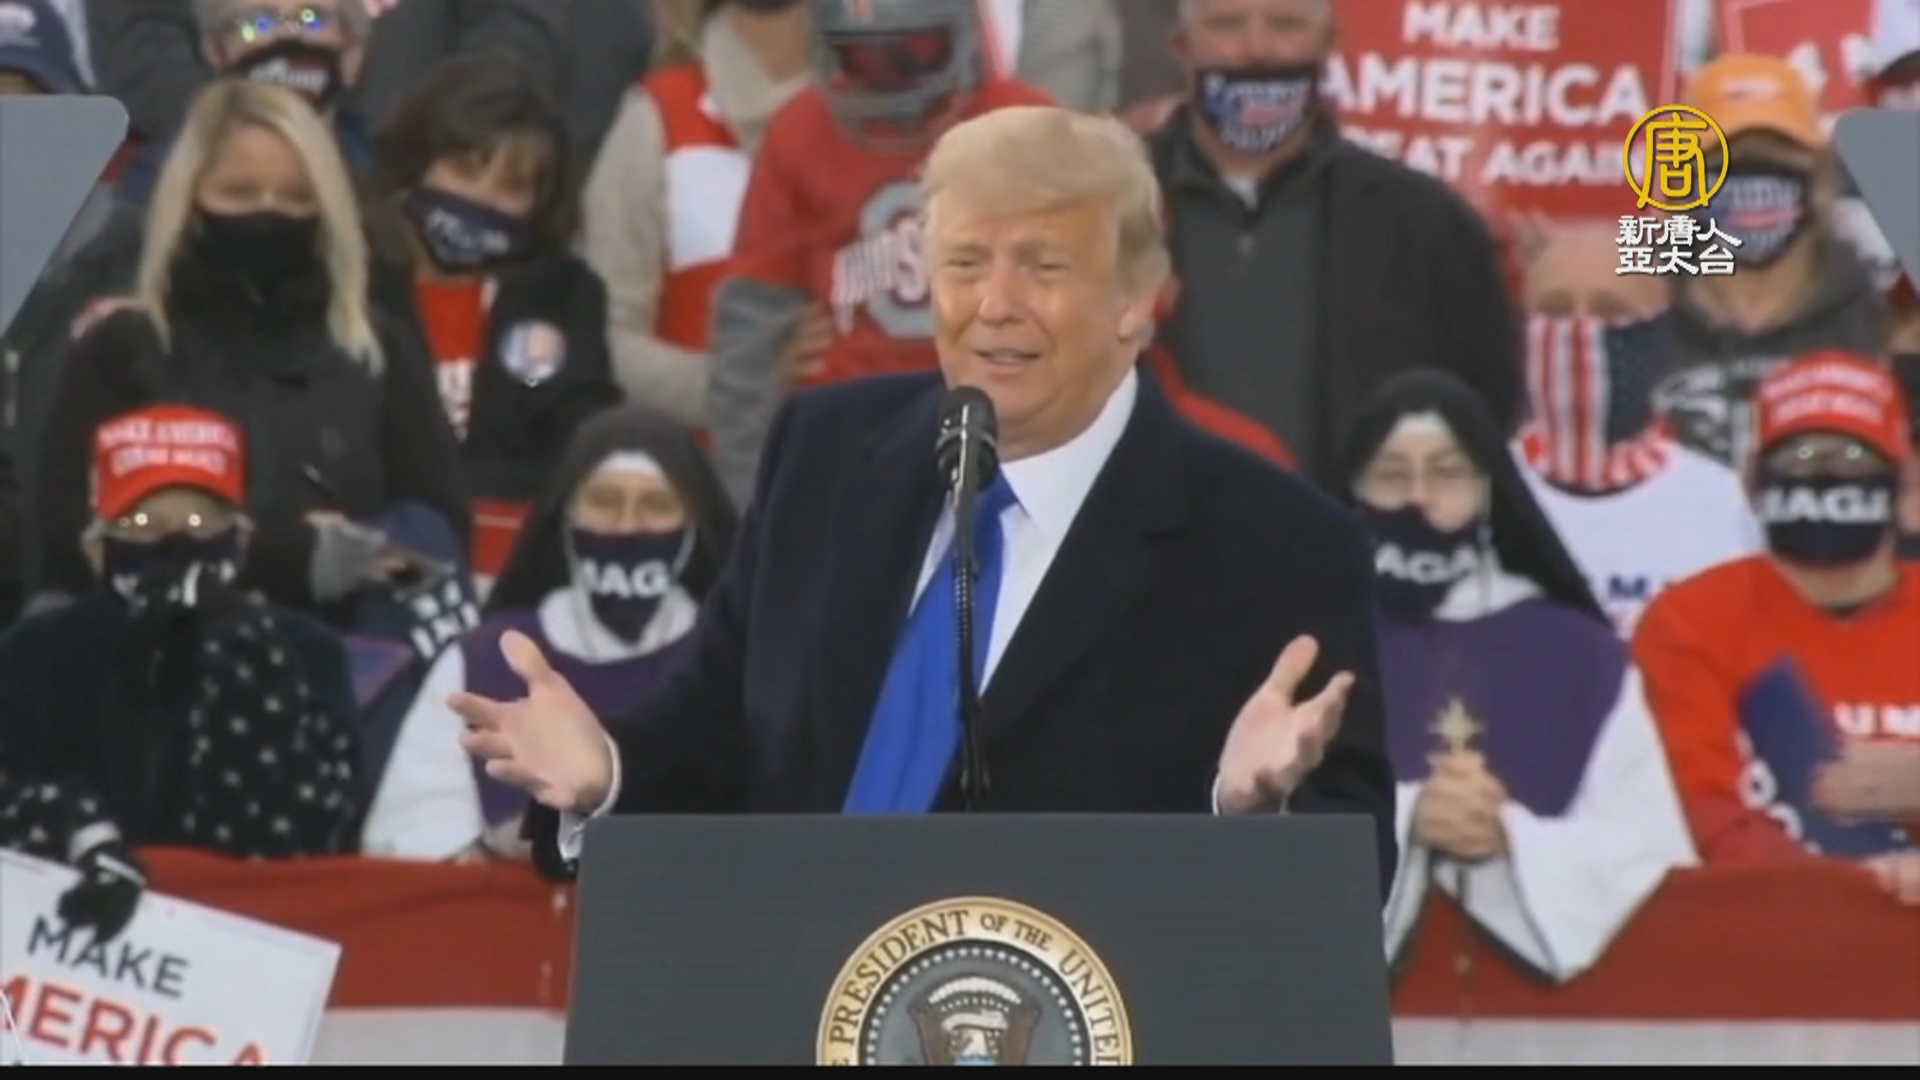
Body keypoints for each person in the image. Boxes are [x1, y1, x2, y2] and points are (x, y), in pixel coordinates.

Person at [453, 105, 1396, 894]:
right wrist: (609, 775)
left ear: (1137, 300)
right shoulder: (824, 455)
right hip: (800, 1002)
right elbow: (712, 734)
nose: (995, 304)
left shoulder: (1276, 547)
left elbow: (1351, 877)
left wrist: (1250, 815)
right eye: (964, 263)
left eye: (1044, 266)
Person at [29, 80, 467, 626]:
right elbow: (72, 540)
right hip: (155, 653)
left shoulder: (380, 351)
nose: (268, 212)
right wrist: (290, 556)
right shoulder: (120, 351)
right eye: (239, 193)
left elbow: (440, 538)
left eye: (296, 197)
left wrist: (350, 557)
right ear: (189, 203)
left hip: (353, 658)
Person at [1345, 371, 1695, 983]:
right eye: (1392, 475)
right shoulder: (1309, 642)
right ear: (1353, 492)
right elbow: (1255, 827)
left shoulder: (1582, 656)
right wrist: (1408, 817)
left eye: (1448, 473)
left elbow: (1651, 845)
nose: (1418, 497)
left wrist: (1511, 836)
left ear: (1490, 490)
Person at [0, 404, 362, 944]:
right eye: (144, 526)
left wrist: (242, 648)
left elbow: (320, 832)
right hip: (65, 939)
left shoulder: (305, 652)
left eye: (199, 524)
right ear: (97, 548)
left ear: (240, 539)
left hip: (241, 945)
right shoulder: (35, 651)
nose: (176, 544)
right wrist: (77, 830)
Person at [1142, 0, 1523, 485]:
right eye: (1227, 24)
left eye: (1286, 25)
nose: (1257, 48)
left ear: (1330, 43)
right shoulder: (1103, 207)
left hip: (1349, 529)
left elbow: (1485, 414)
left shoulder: (1427, 224)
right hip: (1150, 525)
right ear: (1182, 45)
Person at [705, 0, 1052, 506]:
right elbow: (748, 337)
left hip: (1006, 441)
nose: (889, 76)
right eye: (862, 58)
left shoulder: (1031, 131)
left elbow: (1106, 307)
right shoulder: (799, 131)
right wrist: (754, 503)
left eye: (912, 51)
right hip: (849, 448)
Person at [363, 404, 735, 864]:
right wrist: (495, 848)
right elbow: (401, 850)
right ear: (566, 516)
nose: (627, 526)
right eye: (605, 501)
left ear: (693, 524)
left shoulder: (732, 661)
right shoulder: (483, 660)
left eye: (656, 505)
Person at [1632, 351, 1919, 906]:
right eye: (1800, 457)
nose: (1826, 479)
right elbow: (1701, 812)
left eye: (1854, 458)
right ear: (1750, 483)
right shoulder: (1691, 620)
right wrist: (1852, 892)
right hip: (1760, 926)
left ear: (1905, 486)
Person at [365, 52, 622, 582]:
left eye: (513, 186)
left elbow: (573, 442)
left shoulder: (565, 295)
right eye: (466, 170)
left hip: (521, 573)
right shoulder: (354, 285)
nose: (483, 198)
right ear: (415, 165)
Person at [1510, 216, 1762, 635]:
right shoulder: (1480, 497)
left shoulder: (1724, 508)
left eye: (1610, 311)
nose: (1580, 331)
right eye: (1555, 309)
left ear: (1656, 334)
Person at [580, 0, 815, 427]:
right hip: (701, 459)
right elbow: (603, 335)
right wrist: (746, 384)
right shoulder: (657, 119)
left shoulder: (887, 120)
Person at [1659, 54, 1888, 473]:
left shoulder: (1877, 320)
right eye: (1726, 162)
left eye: (1777, 158)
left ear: (1822, 178)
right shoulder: (1638, 313)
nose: (1752, 182)